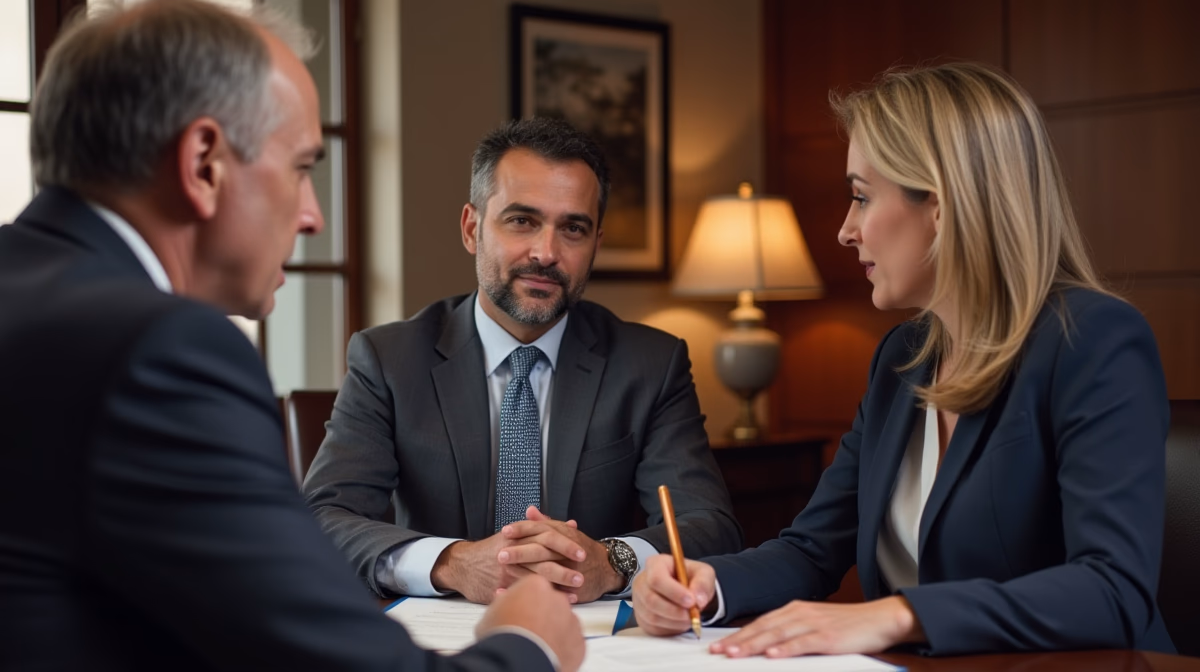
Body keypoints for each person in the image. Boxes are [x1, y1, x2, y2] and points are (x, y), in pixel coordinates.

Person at [0, 2, 583, 670]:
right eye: (301, 168)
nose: (313, 216)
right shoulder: (158, 351)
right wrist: (529, 643)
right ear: (203, 163)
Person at [632, 61, 1176, 657]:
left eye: (861, 198)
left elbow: (1111, 590)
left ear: (940, 207)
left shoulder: (1093, 340)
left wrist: (898, 615)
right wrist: (708, 586)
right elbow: (812, 550)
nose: (846, 231)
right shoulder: (903, 357)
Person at [303, 118, 742, 605]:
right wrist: (452, 563)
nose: (546, 253)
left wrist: (610, 561)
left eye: (573, 228)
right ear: (472, 229)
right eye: (522, 221)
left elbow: (710, 526)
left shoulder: (650, 365)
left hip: (591, 632)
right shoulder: (389, 360)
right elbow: (322, 519)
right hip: (437, 633)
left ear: (596, 245)